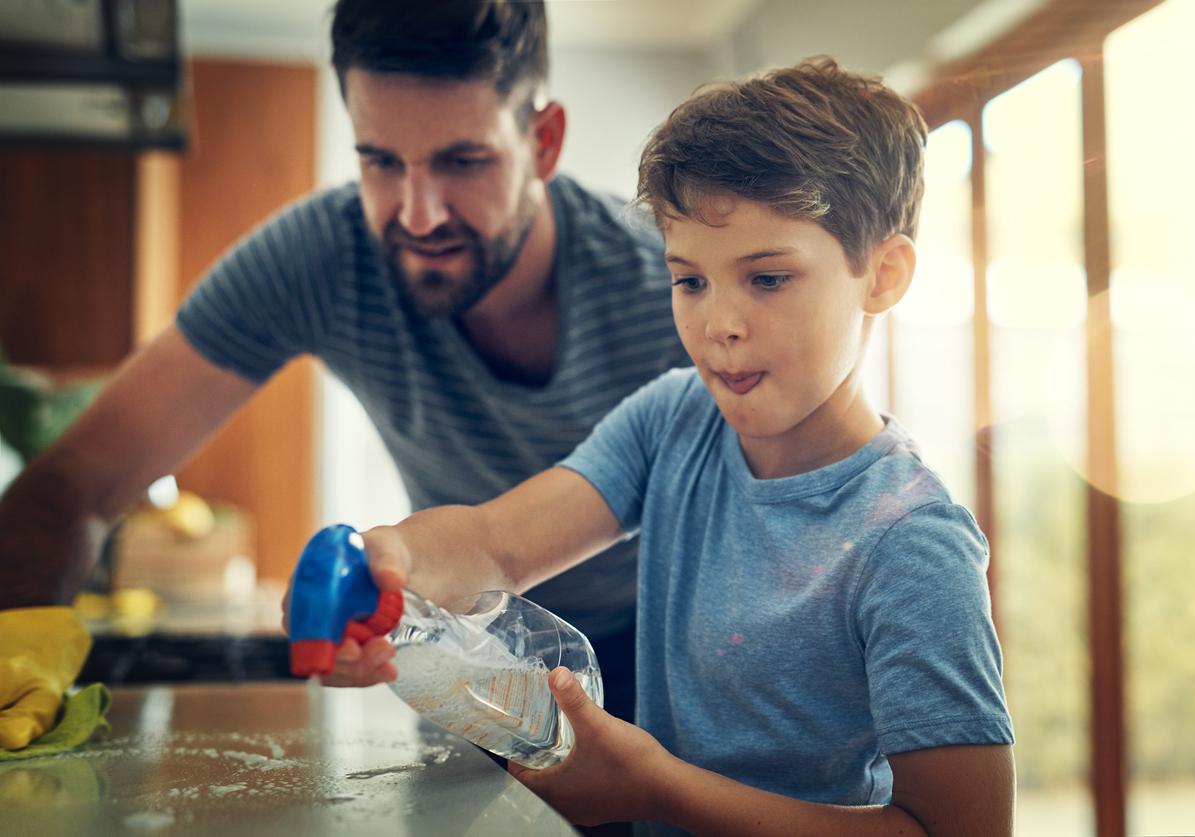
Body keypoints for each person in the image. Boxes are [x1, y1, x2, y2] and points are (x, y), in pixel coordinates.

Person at [329, 57, 1017, 835]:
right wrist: (389, 562)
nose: (718, 323)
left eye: (767, 279)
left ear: (883, 275)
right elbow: (496, 543)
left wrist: (657, 788)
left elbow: (963, 828)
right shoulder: (674, 419)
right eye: (689, 280)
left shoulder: (911, 542)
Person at [0, 0, 686, 764]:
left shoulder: (676, 288)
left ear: (543, 140)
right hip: (469, 659)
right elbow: (74, 482)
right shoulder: (318, 256)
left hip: (672, 660)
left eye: (464, 161)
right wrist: (13, 645)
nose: (418, 214)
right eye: (380, 161)